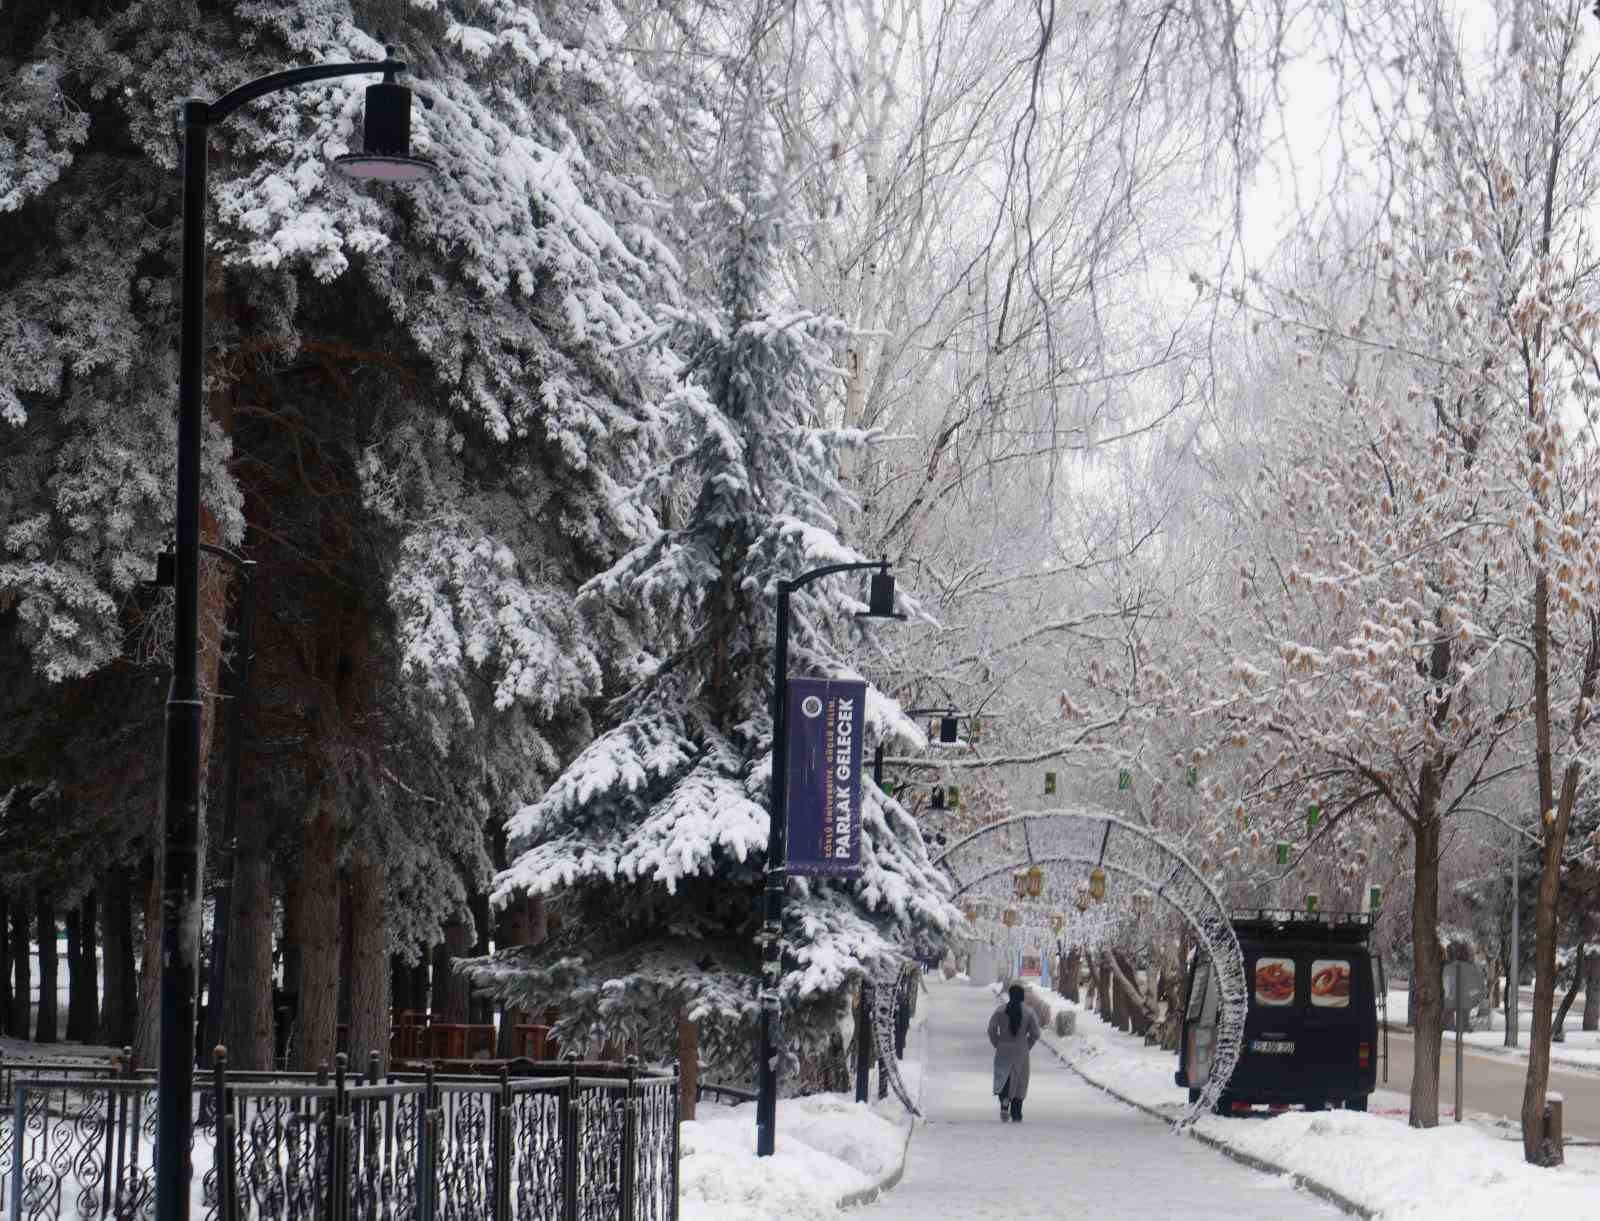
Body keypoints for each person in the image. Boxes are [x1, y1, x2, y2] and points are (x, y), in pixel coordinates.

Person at [988, 982, 1041, 1122]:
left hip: (1003, 1048)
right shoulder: (1029, 1012)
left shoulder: (1000, 1011)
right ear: (1023, 996)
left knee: (1003, 1077)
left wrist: (997, 1042)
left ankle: (1004, 1101)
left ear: (1010, 995)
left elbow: (991, 1030)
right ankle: (1016, 1112)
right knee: (1019, 1079)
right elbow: (1036, 1033)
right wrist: (1027, 1045)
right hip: (1021, 1050)